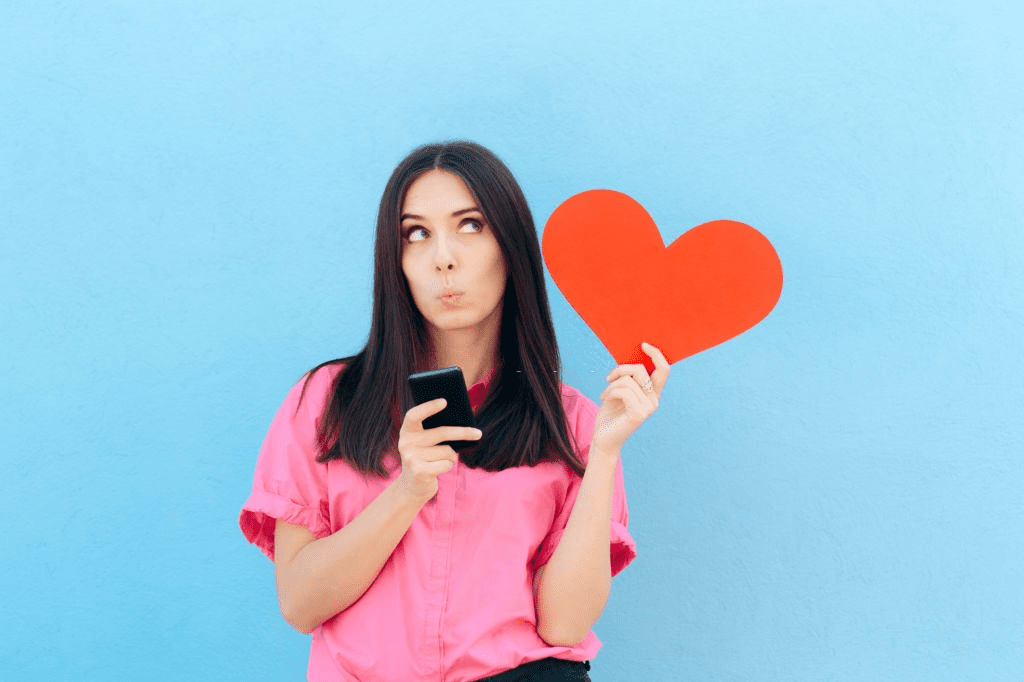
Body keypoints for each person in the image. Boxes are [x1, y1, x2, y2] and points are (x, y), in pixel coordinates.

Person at [239, 140, 671, 681]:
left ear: (509, 248)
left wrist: (605, 452)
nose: (444, 257)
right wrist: (408, 488)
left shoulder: (574, 422)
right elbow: (301, 604)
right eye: (416, 233)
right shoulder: (325, 402)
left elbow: (563, 626)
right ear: (395, 261)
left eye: (470, 225)